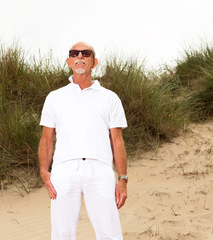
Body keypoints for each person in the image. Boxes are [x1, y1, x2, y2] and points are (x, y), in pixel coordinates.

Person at [38, 41, 128, 240]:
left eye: (86, 53)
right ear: (69, 61)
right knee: (62, 234)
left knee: (110, 233)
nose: (80, 56)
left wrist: (122, 178)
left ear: (94, 62)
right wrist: (44, 171)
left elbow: (117, 141)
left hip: (100, 168)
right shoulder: (54, 97)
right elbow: (46, 139)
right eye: (75, 53)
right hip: (64, 169)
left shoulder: (110, 98)